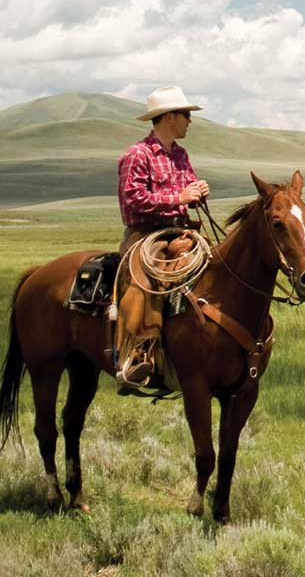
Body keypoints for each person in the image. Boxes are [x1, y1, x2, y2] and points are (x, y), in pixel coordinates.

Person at [104, 86, 210, 390]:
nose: (190, 120)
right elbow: (134, 198)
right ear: (169, 117)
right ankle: (135, 357)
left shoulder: (180, 154)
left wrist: (198, 191)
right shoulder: (137, 155)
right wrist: (178, 197)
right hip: (145, 235)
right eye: (185, 114)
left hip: (180, 232)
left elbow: (188, 188)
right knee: (145, 282)